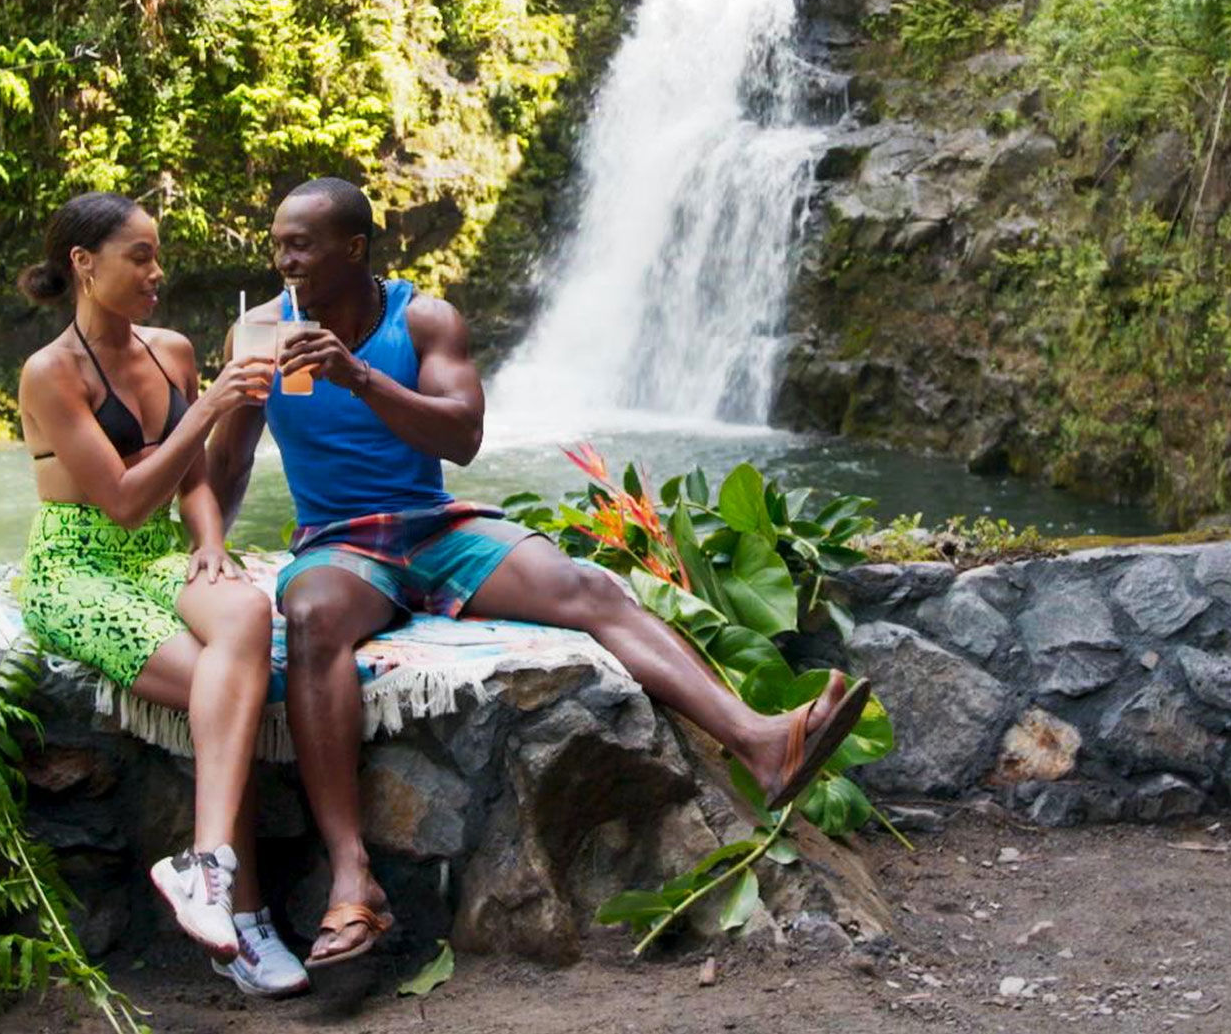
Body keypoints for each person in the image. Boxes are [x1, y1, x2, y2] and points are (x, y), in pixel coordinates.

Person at [209, 177, 872, 969]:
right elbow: (231, 457)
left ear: (354, 249)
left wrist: (358, 375)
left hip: (431, 522)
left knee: (589, 588)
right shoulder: (256, 332)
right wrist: (206, 542)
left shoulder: (422, 320)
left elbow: (461, 438)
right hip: (339, 541)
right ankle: (353, 877)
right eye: (277, 242)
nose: (285, 260)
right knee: (314, 617)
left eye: (302, 244)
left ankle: (762, 743)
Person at [15, 191, 308, 998]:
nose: (156, 271)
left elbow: (188, 486)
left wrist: (211, 543)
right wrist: (213, 405)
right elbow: (122, 499)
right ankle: (244, 923)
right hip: (78, 566)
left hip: (163, 555)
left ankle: (205, 865)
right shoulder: (51, 372)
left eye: (156, 253)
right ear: (85, 263)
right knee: (234, 690)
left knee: (245, 609)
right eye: (138, 255)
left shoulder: (172, 348)